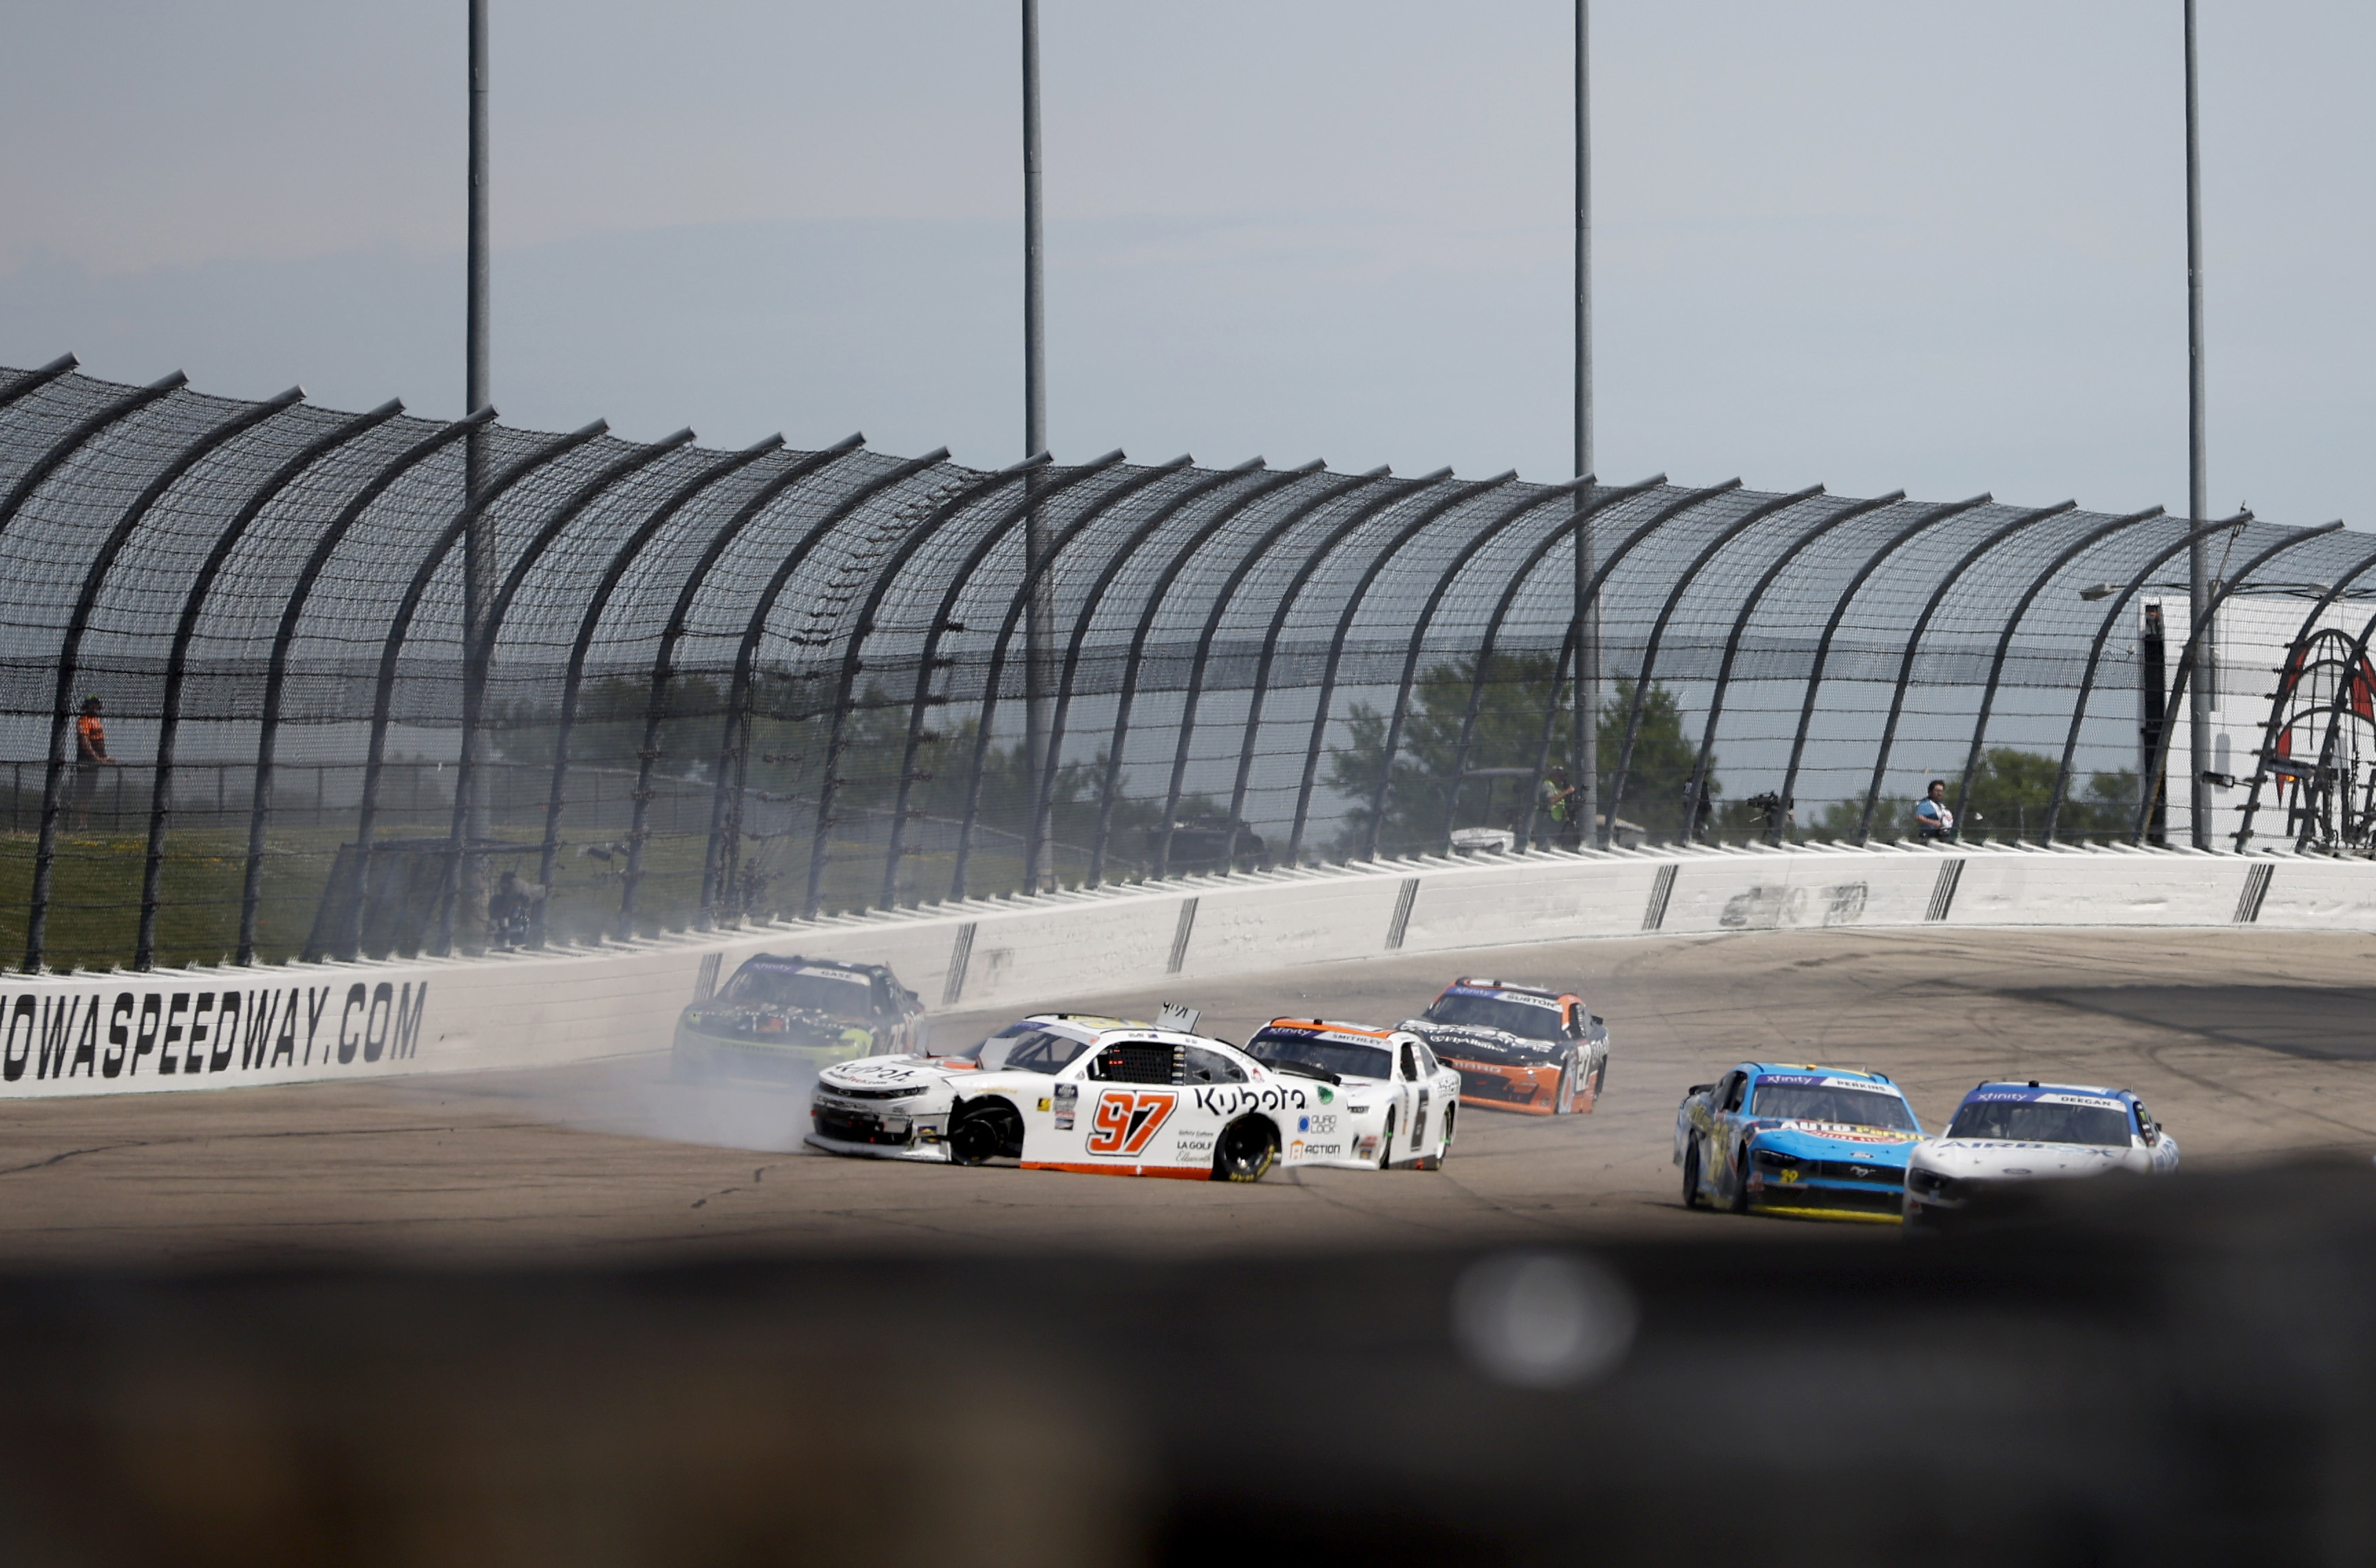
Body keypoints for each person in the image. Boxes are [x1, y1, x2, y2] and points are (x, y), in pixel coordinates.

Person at [72, 696, 118, 830]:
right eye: (92, 705)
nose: (95, 708)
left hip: (95, 761)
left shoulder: (96, 720)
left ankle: (85, 823)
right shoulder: (83, 721)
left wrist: (105, 757)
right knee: (84, 794)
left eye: (96, 705)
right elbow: (85, 742)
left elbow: (99, 743)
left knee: (90, 793)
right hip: (86, 762)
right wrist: (96, 758)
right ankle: (82, 824)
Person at [1537, 765, 1580, 851]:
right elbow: (1551, 800)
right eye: (1560, 776)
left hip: (1556, 823)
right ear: (1553, 776)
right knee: (1546, 848)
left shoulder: (1557, 787)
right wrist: (1567, 792)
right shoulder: (1548, 785)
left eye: (1563, 776)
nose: (1562, 778)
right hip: (1547, 823)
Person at [1915, 778, 1955, 842]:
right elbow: (1918, 818)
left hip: (1942, 838)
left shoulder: (1941, 806)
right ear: (1930, 792)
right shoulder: (1926, 803)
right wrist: (1933, 822)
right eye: (1937, 791)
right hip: (1928, 839)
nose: (1939, 793)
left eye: (1941, 791)